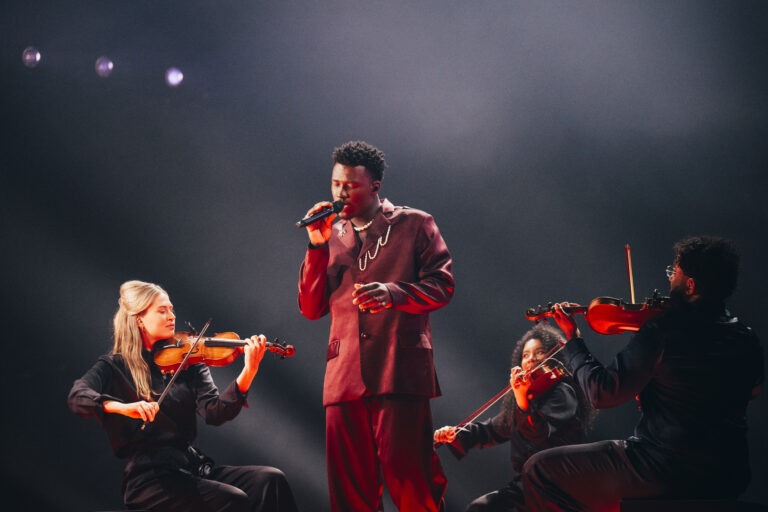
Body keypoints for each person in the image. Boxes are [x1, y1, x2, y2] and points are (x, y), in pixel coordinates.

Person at [523, 235, 764, 511]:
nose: (670, 279)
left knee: (539, 470)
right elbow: (753, 390)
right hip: (730, 473)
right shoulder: (746, 337)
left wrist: (573, 340)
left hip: (665, 468)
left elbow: (602, 393)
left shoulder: (664, 330)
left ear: (691, 284)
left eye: (674, 272)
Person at [297, 140, 454, 511]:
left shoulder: (414, 223)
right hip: (343, 375)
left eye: (349, 185)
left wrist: (395, 293)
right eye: (335, 184)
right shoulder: (329, 234)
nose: (339, 192)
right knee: (350, 491)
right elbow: (310, 307)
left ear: (375, 187)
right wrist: (316, 248)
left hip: (398, 369)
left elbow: (443, 285)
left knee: (411, 479)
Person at [68, 280, 300, 512]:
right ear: (139, 318)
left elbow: (215, 413)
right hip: (151, 480)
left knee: (270, 480)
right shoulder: (114, 366)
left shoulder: (189, 361)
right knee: (232, 499)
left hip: (191, 467)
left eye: (171, 309)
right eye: (162, 311)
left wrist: (248, 371)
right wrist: (120, 407)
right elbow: (79, 395)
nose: (171, 316)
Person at [433, 323, 595, 512]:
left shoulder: (563, 391)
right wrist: (457, 434)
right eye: (525, 355)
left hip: (558, 487)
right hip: (531, 485)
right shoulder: (528, 397)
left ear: (553, 357)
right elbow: (493, 429)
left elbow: (539, 432)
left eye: (539, 352)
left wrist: (522, 400)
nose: (531, 359)